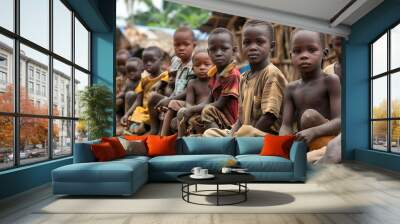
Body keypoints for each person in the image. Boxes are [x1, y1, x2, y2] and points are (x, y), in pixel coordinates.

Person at [204, 20, 287, 137]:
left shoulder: (271, 74)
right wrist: (231, 137)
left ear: (272, 46)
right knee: (210, 133)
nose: (253, 47)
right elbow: (240, 120)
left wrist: (243, 138)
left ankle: (230, 146)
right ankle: (229, 145)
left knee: (245, 131)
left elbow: (269, 117)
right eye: (247, 42)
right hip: (244, 133)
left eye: (260, 42)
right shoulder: (243, 77)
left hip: (267, 135)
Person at [279, 29, 341, 164]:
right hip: (305, 142)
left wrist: (313, 132)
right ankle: (306, 158)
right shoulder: (291, 88)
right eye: (297, 51)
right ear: (291, 56)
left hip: (327, 139)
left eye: (311, 50)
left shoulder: (331, 81)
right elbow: (286, 125)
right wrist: (284, 141)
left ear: (324, 54)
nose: (304, 56)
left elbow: (339, 121)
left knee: (309, 116)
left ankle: (316, 157)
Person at [182, 28, 240, 132]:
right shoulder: (214, 72)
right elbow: (209, 99)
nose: (218, 53)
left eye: (224, 49)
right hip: (218, 115)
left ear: (234, 51)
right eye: (214, 50)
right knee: (192, 118)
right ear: (209, 52)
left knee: (207, 110)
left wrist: (192, 109)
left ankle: (219, 142)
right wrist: (190, 110)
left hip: (232, 122)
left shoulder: (232, 75)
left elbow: (219, 104)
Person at [147, 26, 196, 134]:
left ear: (194, 45)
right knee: (153, 97)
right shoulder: (176, 60)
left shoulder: (194, 65)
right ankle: (153, 130)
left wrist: (170, 99)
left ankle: (162, 136)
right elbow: (170, 75)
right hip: (174, 95)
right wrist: (162, 82)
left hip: (186, 101)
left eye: (186, 44)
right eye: (177, 45)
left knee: (170, 103)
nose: (181, 48)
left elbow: (189, 90)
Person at [160, 49, 213, 136]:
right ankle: (170, 138)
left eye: (207, 64)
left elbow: (213, 102)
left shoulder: (214, 81)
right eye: (198, 65)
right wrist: (190, 112)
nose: (202, 67)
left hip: (208, 112)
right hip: (194, 110)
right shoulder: (192, 83)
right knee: (178, 109)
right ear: (193, 68)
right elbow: (189, 104)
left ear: (213, 66)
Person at [120, 46, 169, 134]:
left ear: (161, 61)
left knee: (140, 125)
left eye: (152, 61)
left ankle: (145, 129)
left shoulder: (165, 75)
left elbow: (168, 81)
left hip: (157, 110)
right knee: (134, 118)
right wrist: (127, 114)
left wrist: (161, 83)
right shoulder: (144, 80)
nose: (148, 64)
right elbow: (138, 101)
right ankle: (136, 128)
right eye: (145, 61)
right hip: (144, 111)